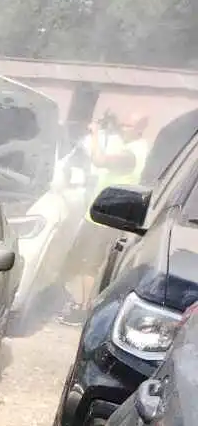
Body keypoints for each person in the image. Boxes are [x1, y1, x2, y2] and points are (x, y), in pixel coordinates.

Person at [59, 114, 153, 326]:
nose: (121, 127)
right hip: (102, 214)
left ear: (139, 127)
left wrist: (94, 134)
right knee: (84, 263)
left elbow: (99, 160)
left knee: (89, 264)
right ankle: (80, 305)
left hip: (107, 219)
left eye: (126, 123)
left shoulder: (133, 154)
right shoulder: (127, 146)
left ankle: (82, 310)